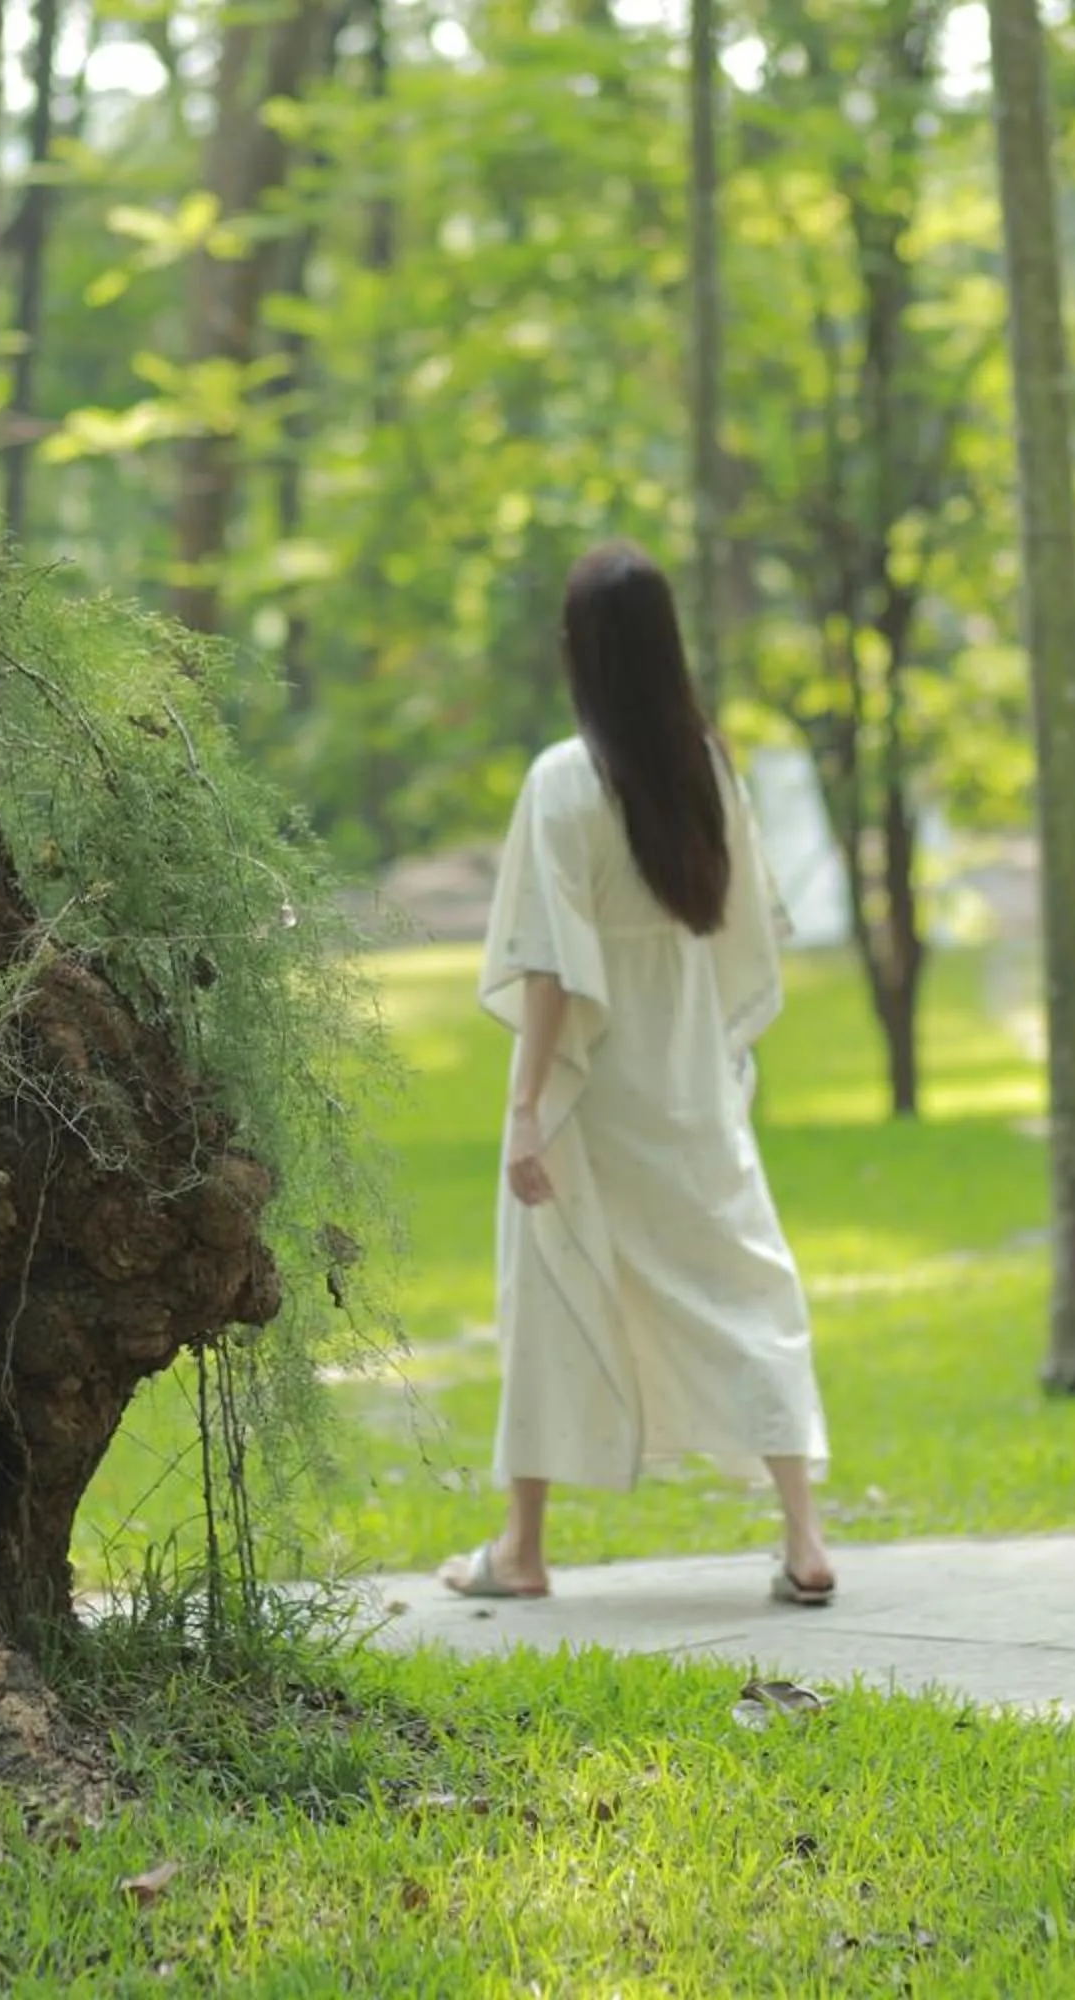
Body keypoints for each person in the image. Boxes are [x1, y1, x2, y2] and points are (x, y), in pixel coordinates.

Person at [439, 540, 836, 1607]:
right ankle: (803, 1535)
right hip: (694, 1080)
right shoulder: (707, 771)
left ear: (582, 653)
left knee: (552, 1286)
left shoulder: (564, 784)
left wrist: (525, 1110)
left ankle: (522, 1550)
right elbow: (741, 933)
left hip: (593, 1088)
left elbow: (551, 967)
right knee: (744, 1283)